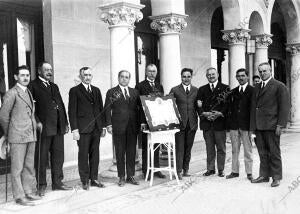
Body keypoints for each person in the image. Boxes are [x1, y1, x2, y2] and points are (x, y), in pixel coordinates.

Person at [0, 65, 42, 206]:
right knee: (17, 168)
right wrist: (9, 133)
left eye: (27, 75)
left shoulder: (28, 92)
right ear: (16, 77)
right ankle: (19, 196)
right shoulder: (12, 93)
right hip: (17, 135)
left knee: (29, 165)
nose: (25, 77)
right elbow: (3, 116)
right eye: (22, 75)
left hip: (30, 134)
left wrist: (35, 124)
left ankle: (28, 191)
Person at [29, 61, 71, 196]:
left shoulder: (54, 86)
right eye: (46, 70)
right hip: (43, 128)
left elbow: (61, 105)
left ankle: (57, 183)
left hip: (58, 127)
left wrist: (65, 123)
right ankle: (41, 185)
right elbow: (30, 108)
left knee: (58, 156)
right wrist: (37, 122)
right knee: (41, 158)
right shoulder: (33, 86)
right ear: (39, 71)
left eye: (50, 69)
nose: (49, 72)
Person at [250, 62, 289, 187]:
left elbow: (284, 107)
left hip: (272, 125)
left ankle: (276, 177)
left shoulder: (279, 86)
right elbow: (253, 108)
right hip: (258, 126)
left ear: (270, 71)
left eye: (264, 71)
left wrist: (280, 125)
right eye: (260, 71)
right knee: (262, 152)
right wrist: (252, 128)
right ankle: (264, 175)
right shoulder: (256, 87)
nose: (262, 73)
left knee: (274, 152)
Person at [68, 67, 106, 190]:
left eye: (90, 75)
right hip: (83, 129)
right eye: (85, 75)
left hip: (96, 128)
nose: (88, 77)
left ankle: (94, 178)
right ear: (81, 76)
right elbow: (72, 111)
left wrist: (103, 127)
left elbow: (101, 109)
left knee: (95, 154)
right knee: (83, 155)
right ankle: (84, 180)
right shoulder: (75, 91)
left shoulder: (96, 90)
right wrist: (75, 130)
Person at [105, 70, 140, 187]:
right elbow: (107, 109)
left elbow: (139, 109)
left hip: (132, 127)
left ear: (129, 79)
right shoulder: (111, 92)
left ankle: (130, 176)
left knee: (131, 152)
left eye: (126, 77)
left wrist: (141, 124)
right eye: (122, 77)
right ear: (118, 78)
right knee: (119, 152)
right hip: (118, 127)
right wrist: (109, 125)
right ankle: (121, 177)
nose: (124, 79)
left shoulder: (134, 92)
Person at [196, 67, 229, 177]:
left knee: (221, 148)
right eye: (209, 75)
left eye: (213, 74)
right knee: (209, 148)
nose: (211, 76)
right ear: (206, 76)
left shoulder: (225, 88)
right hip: (207, 124)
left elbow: (227, 106)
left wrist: (219, 113)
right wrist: (204, 114)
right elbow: (198, 105)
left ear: (218, 74)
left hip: (219, 123)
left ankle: (221, 169)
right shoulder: (201, 89)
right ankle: (210, 169)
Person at [135, 64, 166, 179]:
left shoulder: (159, 86)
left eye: (154, 71)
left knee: (157, 145)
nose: (152, 73)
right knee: (146, 146)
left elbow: (161, 103)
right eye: (150, 71)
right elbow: (138, 105)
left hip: (157, 121)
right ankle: (146, 171)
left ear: (156, 73)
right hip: (145, 121)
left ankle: (156, 169)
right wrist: (142, 122)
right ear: (146, 72)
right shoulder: (140, 86)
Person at [169, 68, 198, 180]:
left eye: (188, 76)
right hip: (179, 124)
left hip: (192, 124)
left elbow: (197, 106)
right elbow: (169, 105)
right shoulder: (175, 90)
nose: (186, 79)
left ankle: (186, 170)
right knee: (179, 148)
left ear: (191, 77)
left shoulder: (196, 90)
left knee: (188, 148)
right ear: (181, 77)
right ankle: (178, 171)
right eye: (184, 76)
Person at [226, 68, 254, 181]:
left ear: (247, 77)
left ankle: (249, 173)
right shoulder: (232, 92)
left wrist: (253, 127)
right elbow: (229, 109)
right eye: (238, 76)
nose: (241, 78)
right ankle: (235, 171)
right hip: (234, 126)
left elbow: (253, 110)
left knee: (248, 150)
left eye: (243, 76)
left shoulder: (253, 91)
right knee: (234, 150)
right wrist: (228, 127)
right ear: (236, 78)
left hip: (246, 126)